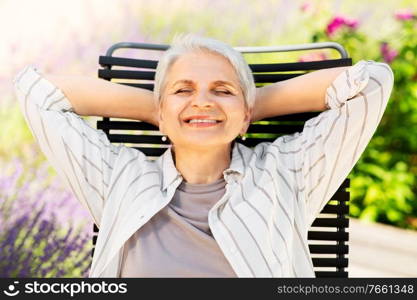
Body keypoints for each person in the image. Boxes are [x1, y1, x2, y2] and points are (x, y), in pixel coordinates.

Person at [12, 33, 394, 277]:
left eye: (221, 89)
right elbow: (35, 91)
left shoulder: (288, 173)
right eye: (184, 89)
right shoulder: (118, 179)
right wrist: (161, 110)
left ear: (248, 113)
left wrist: (241, 110)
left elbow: (371, 82)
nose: (203, 100)